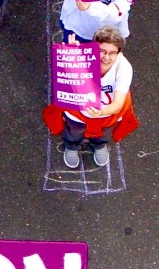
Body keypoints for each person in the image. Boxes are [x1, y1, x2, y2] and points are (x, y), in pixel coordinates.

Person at [51, 27, 134, 168]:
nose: (106, 57)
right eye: (102, 51)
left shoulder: (124, 68)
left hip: (108, 112)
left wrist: (101, 112)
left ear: (119, 53)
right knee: (74, 130)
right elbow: (67, 80)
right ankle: (71, 146)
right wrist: (70, 57)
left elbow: (118, 103)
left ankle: (99, 145)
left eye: (112, 53)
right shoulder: (82, 56)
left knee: (104, 132)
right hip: (79, 110)